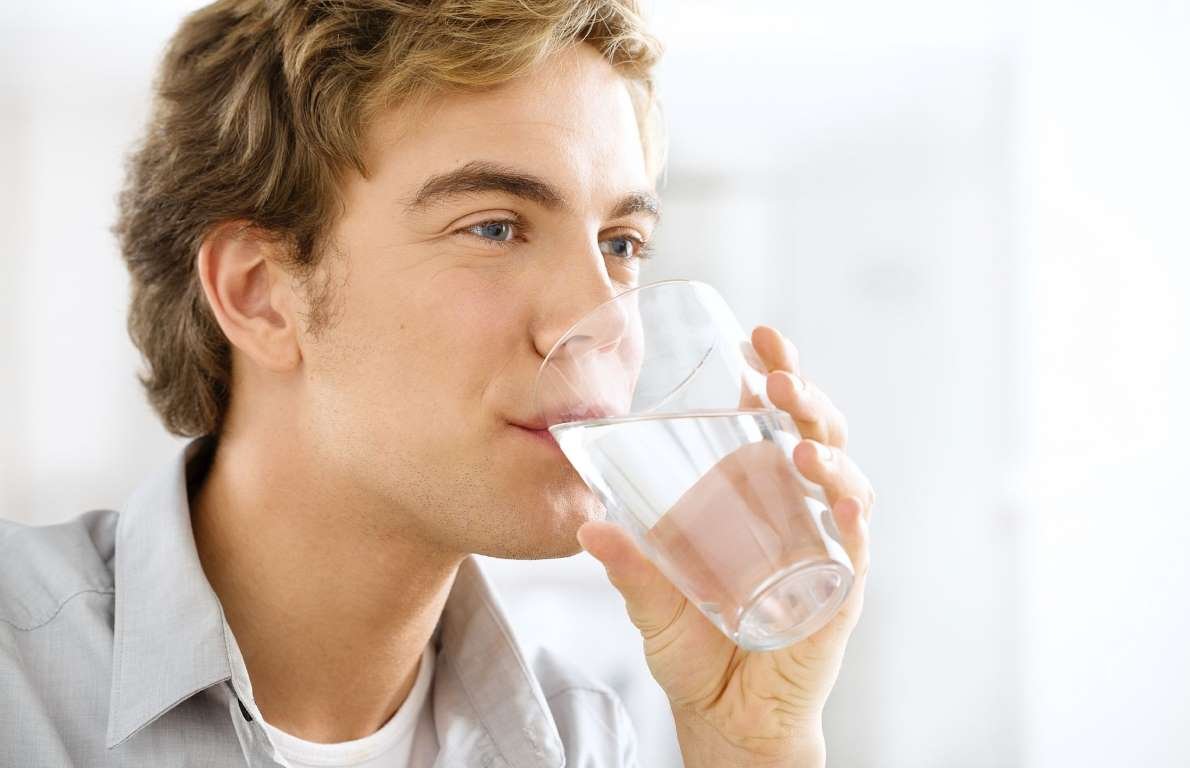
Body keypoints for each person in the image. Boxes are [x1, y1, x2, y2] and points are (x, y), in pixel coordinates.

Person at [0, 1, 876, 766]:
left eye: (621, 245)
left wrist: (748, 752)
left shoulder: (581, 738)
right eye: (494, 228)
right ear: (260, 295)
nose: (600, 323)